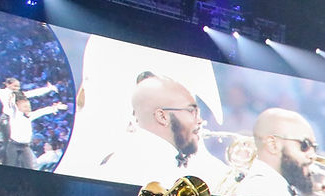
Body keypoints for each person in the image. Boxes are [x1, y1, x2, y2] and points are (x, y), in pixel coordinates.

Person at [95, 75, 228, 188]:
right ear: (162, 117)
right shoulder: (128, 161)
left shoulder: (181, 158)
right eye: (191, 111)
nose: (200, 120)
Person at [218, 108, 325, 196]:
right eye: (304, 145)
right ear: (272, 145)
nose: (312, 156)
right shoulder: (265, 188)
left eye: (314, 148)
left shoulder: (272, 185)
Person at [0, 93, 67, 169]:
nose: (28, 109)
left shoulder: (30, 116)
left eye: (29, 107)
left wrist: (55, 108)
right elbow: (11, 105)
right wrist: (13, 98)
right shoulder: (14, 114)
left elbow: (42, 111)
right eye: (25, 107)